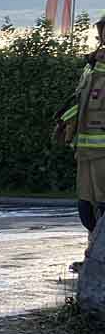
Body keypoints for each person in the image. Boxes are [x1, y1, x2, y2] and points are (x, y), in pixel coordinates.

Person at [57, 12, 105, 234]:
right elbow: (82, 100)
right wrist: (66, 120)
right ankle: (92, 258)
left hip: (103, 152)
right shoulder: (91, 65)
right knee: (86, 208)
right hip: (85, 150)